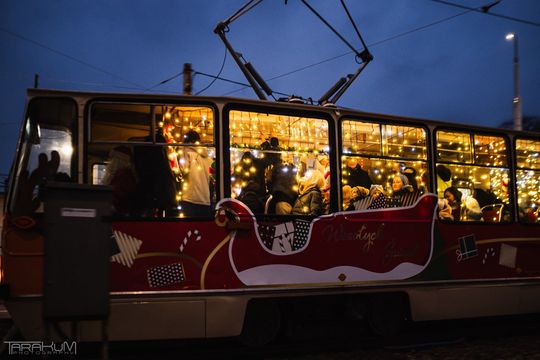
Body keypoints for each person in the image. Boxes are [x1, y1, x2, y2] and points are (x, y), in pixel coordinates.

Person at [179, 130, 214, 217]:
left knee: (187, 228)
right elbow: (212, 177)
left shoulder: (186, 151)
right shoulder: (208, 158)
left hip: (190, 198)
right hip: (205, 200)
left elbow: (183, 170)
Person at [102, 146, 137, 214]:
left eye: (112, 159)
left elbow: (117, 196)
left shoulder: (124, 176)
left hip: (119, 212)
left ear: (118, 161)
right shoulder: (121, 175)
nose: (110, 162)